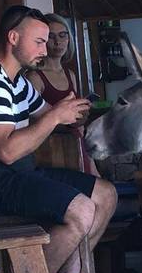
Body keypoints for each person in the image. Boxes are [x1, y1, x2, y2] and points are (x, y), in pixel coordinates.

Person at [0, 5, 117, 273]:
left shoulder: (17, 82)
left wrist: (77, 112)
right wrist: (55, 117)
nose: (46, 48)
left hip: (16, 173)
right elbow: (7, 151)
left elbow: (51, 114)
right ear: (13, 38)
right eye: (39, 41)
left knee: (105, 195)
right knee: (81, 210)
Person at [26, 13, 99, 176]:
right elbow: (30, 122)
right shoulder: (35, 77)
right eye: (51, 37)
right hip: (50, 150)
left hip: (76, 143)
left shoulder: (70, 74)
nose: (57, 42)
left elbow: (78, 122)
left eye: (62, 35)